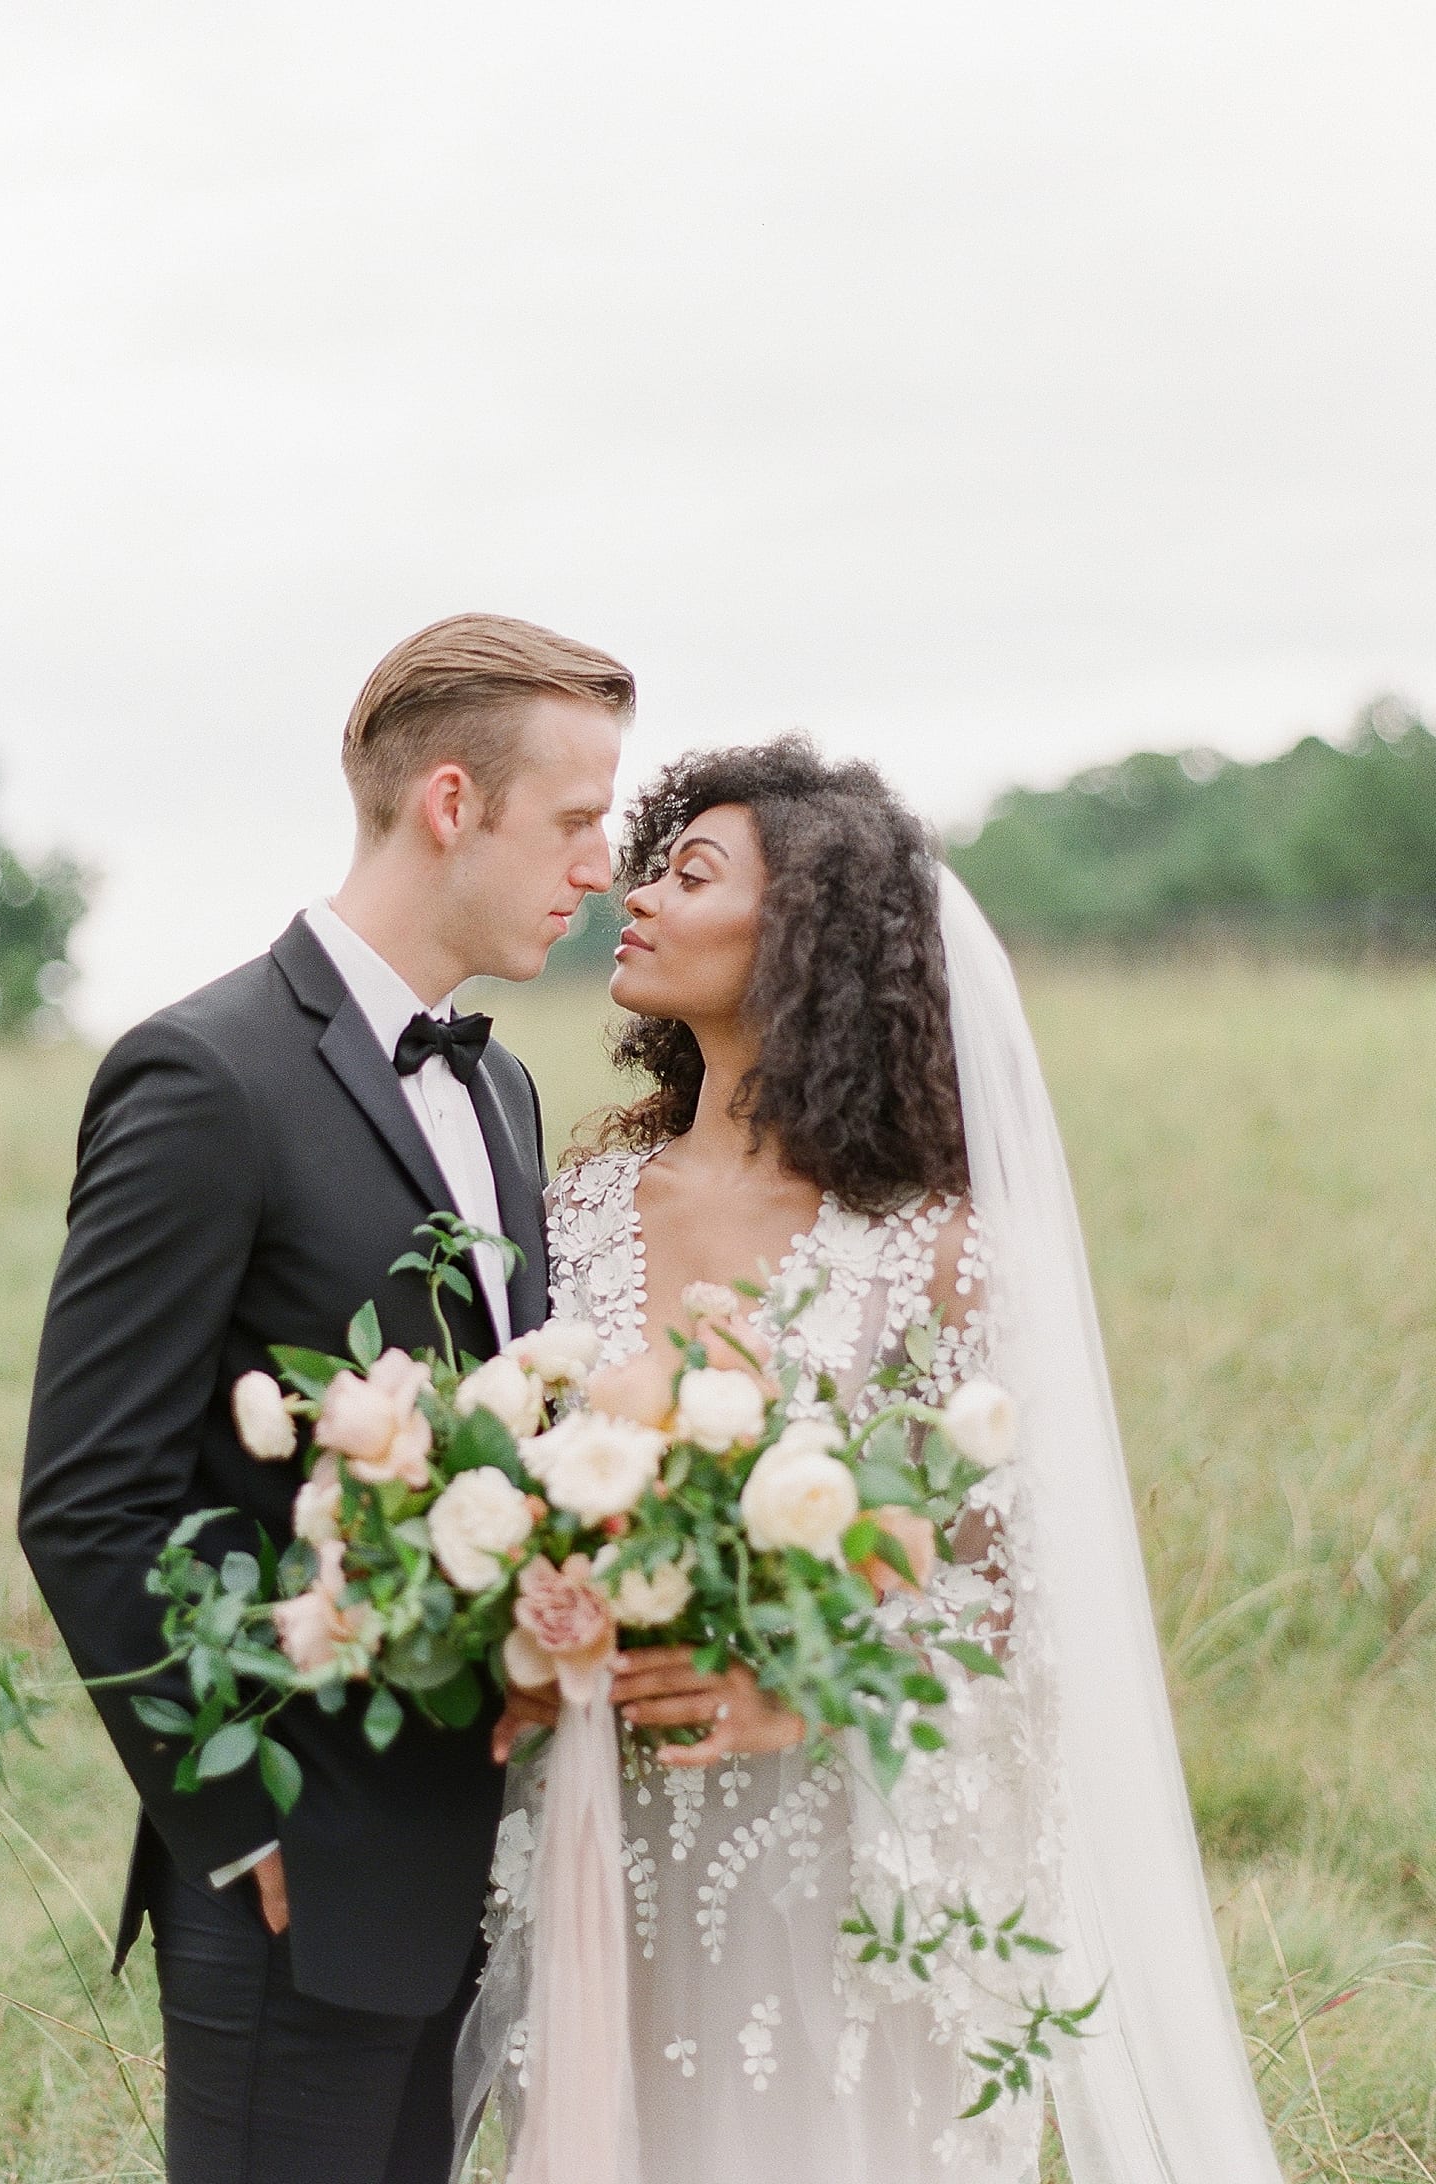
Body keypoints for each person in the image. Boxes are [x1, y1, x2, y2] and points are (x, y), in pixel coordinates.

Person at [461, 736, 1290, 2184]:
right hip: (596, 1821)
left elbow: (1021, 1603)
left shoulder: (936, 1253)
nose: (634, 895)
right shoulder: (564, 1210)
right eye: (650, 863)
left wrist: (792, 1688)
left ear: (807, 939)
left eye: (689, 871)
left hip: (832, 1848)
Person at [18, 613, 631, 2184]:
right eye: (574, 819)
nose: (600, 862)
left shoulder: (497, 1083)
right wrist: (235, 1814)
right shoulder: (206, 1077)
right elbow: (89, 1496)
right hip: (295, 1863)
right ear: (450, 803)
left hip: (471, 1840)